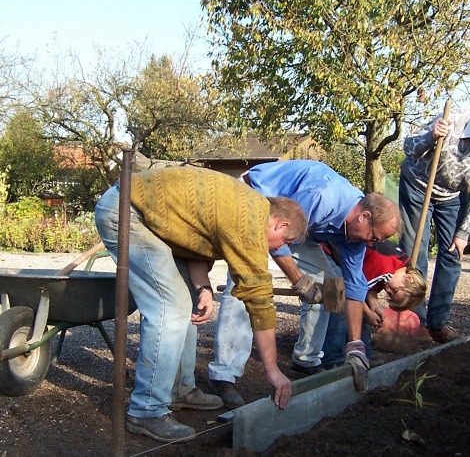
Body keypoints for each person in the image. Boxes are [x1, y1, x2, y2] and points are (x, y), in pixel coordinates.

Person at [94, 166, 307, 443]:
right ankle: (147, 410)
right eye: (284, 242)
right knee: (169, 307)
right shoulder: (250, 221)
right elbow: (260, 300)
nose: (278, 248)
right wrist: (273, 371)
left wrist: (203, 288)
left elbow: (192, 241)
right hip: (127, 211)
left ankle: (179, 390)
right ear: (281, 225)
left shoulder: (248, 207)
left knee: (188, 301)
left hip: (148, 217)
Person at [206, 160, 401, 408]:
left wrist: (356, 345)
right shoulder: (322, 196)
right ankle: (224, 375)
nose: (373, 244)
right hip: (257, 203)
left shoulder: (356, 233)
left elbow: (354, 285)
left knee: (333, 283)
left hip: (296, 227)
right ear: (364, 217)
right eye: (374, 237)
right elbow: (282, 235)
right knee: (245, 283)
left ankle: (307, 358)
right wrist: (299, 280)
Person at [399, 102, 470, 343]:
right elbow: (408, 146)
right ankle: (416, 322)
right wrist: (431, 136)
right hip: (418, 188)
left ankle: (438, 324)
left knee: (453, 254)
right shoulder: (452, 120)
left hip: (453, 197)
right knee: (415, 253)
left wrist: (464, 232)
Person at [320, 240, 426, 369]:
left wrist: (374, 304)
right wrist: (368, 312)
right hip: (330, 252)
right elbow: (353, 289)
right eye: (395, 291)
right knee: (340, 302)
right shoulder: (385, 267)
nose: (388, 291)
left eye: (391, 295)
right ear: (408, 278)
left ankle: (365, 353)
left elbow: (365, 283)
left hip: (348, 262)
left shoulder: (399, 264)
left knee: (365, 309)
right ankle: (333, 358)